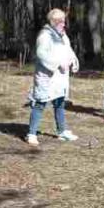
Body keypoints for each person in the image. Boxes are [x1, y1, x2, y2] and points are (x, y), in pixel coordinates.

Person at [26, 8, 79, 146]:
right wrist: (58, 64)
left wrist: (73, 61)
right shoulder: (45, 35)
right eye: (61, 21)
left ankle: (62, 131)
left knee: (60, 103)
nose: (64, 24)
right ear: (54, 22)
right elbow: (41, 54)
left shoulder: (63, 35)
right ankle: (31, 133)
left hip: (60, 78)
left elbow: (69, 50)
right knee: (40, 104)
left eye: (64, 21)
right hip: (47, 77)